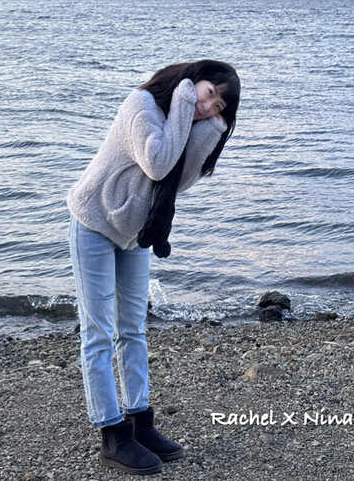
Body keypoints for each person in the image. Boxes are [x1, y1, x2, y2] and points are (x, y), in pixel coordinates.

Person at [67, 59, 240, 475]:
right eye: (208, 93)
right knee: (98, 332)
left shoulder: (190, 120)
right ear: (192, 80)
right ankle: (112, 434)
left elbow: (178, 181)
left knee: (134, 328)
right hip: (94, 220)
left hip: (134, 233)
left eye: (219, 107)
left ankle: (140, 422)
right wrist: (183, 99)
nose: (208, 106)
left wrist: (211, 130)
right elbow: (157, 163)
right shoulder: (141, 105)